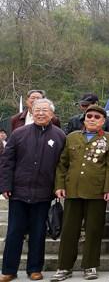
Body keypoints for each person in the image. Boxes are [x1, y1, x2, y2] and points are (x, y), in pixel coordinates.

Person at [0, 99, 66, 282]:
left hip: (44, 193)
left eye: (45, 110)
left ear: (52, 114)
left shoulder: (60, 136)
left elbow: (63, 165)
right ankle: (8, 270)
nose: (41, 113)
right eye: (37, 110)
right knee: (14, 232)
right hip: (18, 192)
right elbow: (7, 162)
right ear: (31, 111)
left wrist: (58, 187)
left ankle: (35, 269)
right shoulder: (19, 133)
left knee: (38, 233)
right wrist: (5, 186)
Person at [52, 105, 109, 281]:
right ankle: (64, 267)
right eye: (89, 116)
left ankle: (89, 266)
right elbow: (62, 164)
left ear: (103, 121)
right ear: (84, 119)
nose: (92, 119)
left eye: (97, 117)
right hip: (72, 190)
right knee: (68, 231)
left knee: (94, 230)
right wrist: (59, 185)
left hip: (97, 192)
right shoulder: (72, 137)